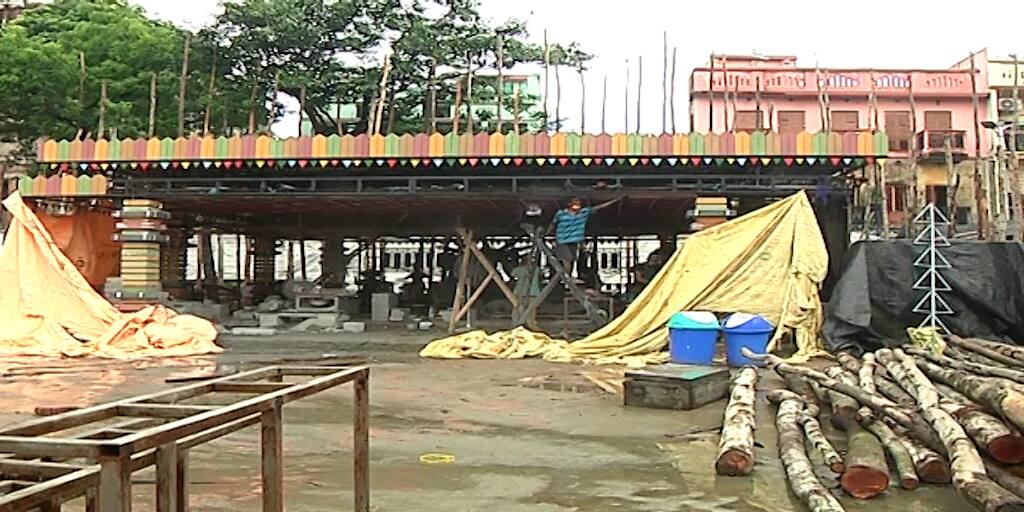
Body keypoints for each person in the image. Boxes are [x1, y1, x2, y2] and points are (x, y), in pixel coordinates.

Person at [550, 196, 623, 275]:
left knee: (571, 261)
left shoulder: (584, 212)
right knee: (567, 260)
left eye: (578, 202)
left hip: (574, 241)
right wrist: (547, 234)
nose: (578, 204)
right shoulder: (561, 213)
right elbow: (553, 224)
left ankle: (568, 278)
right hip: (562, 240)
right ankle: (567, 278)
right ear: (569, 204)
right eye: (575, 202)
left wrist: (615, 200)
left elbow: (599, 207)